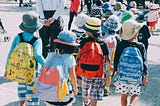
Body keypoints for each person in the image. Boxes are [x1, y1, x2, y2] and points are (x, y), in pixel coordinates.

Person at [4, 13, 46, 106]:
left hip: (19, 70)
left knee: (22, 90)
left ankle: (21, 104)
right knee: (32, 92)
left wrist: (7, 68)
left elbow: (10, 53)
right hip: (33, 72)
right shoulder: (37, 40)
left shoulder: (18, 37)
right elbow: (38, 55)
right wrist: (47, 64)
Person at [77, 17, 113, 106]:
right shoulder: (102, 42)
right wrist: (109, 67)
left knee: (85, 90)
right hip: (98, 72)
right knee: (95, 94)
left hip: (85, 71)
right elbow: (107, 58)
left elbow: (79, 55)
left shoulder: (84, 41)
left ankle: (86, 102)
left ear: (88, 31)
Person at [114, 20, 148, 106]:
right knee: (135, 94)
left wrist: (115, 71)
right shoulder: (140, 46)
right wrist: (145, 76)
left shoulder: (121, 44)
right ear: (136, 33)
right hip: (136, 77)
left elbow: (116, 60)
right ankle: (132, 105)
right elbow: (144, 62)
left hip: (123, 76)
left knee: (124, 95)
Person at [45, 30, 79, 105]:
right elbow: (72, 75)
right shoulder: (70, 58)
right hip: (64, 91)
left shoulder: (50, 55)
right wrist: (75, 89)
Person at [102, 15, 122, 96]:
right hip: (112, 60)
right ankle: (106, 88)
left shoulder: (103, 36)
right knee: (108, 75)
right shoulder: (117, 38)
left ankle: (100, 86)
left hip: (103, 59)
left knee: (102, 74)